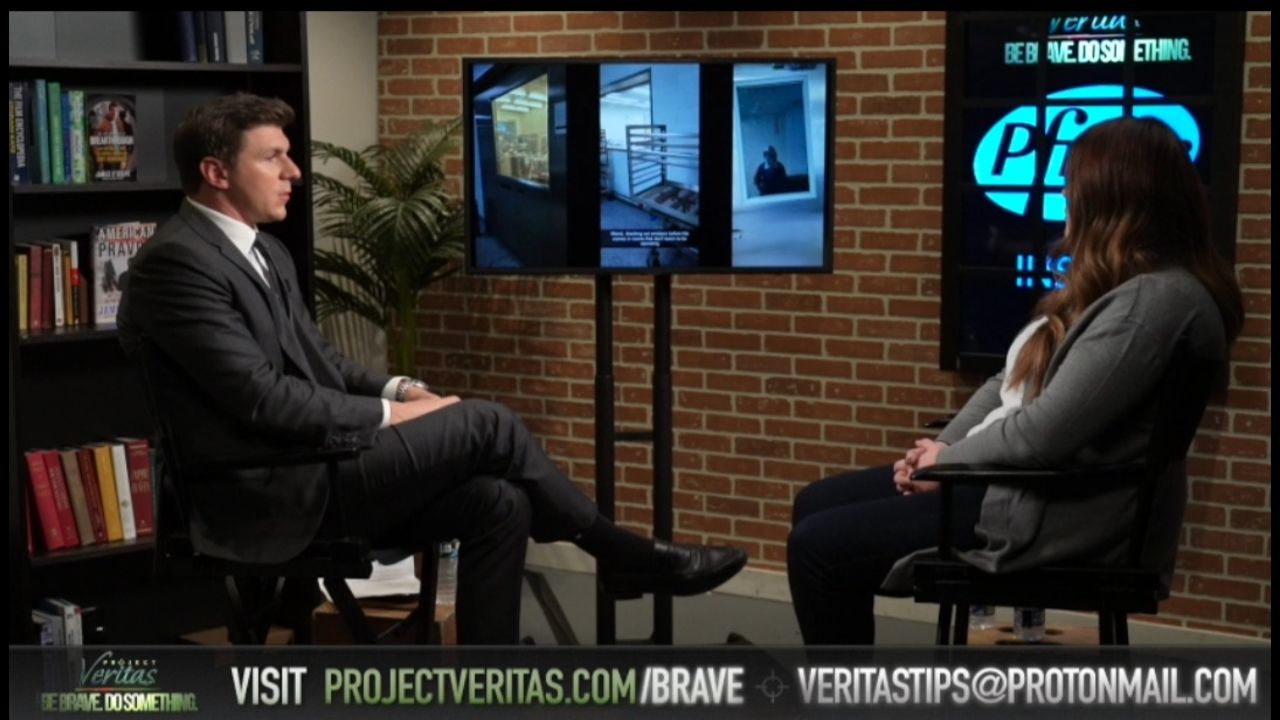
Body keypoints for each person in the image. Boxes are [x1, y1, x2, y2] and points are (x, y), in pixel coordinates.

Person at [117, 93, 746, 645]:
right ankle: (622, 555)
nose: (294, 172)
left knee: (498, 501)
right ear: (216, 172)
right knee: (487, 424)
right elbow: (263, 398)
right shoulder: (176, 264)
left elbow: (321, 362)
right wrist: (395, 415)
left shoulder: (267, 250)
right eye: (273, 157)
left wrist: (402, 387)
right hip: (266, 492)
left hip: (314, 468)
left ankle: (487, 688)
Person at [787, 117, 1242, 644]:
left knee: (817, 548)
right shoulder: (1128, 290)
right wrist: (942, 449)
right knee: (815, 502)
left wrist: (947, 465)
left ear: (1113, 198)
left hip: (1056, 514)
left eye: (1072, 185)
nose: (1065, 197)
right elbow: (1010, 380)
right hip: (1028, 490)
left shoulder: (1152, 305)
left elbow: (1043, 433)